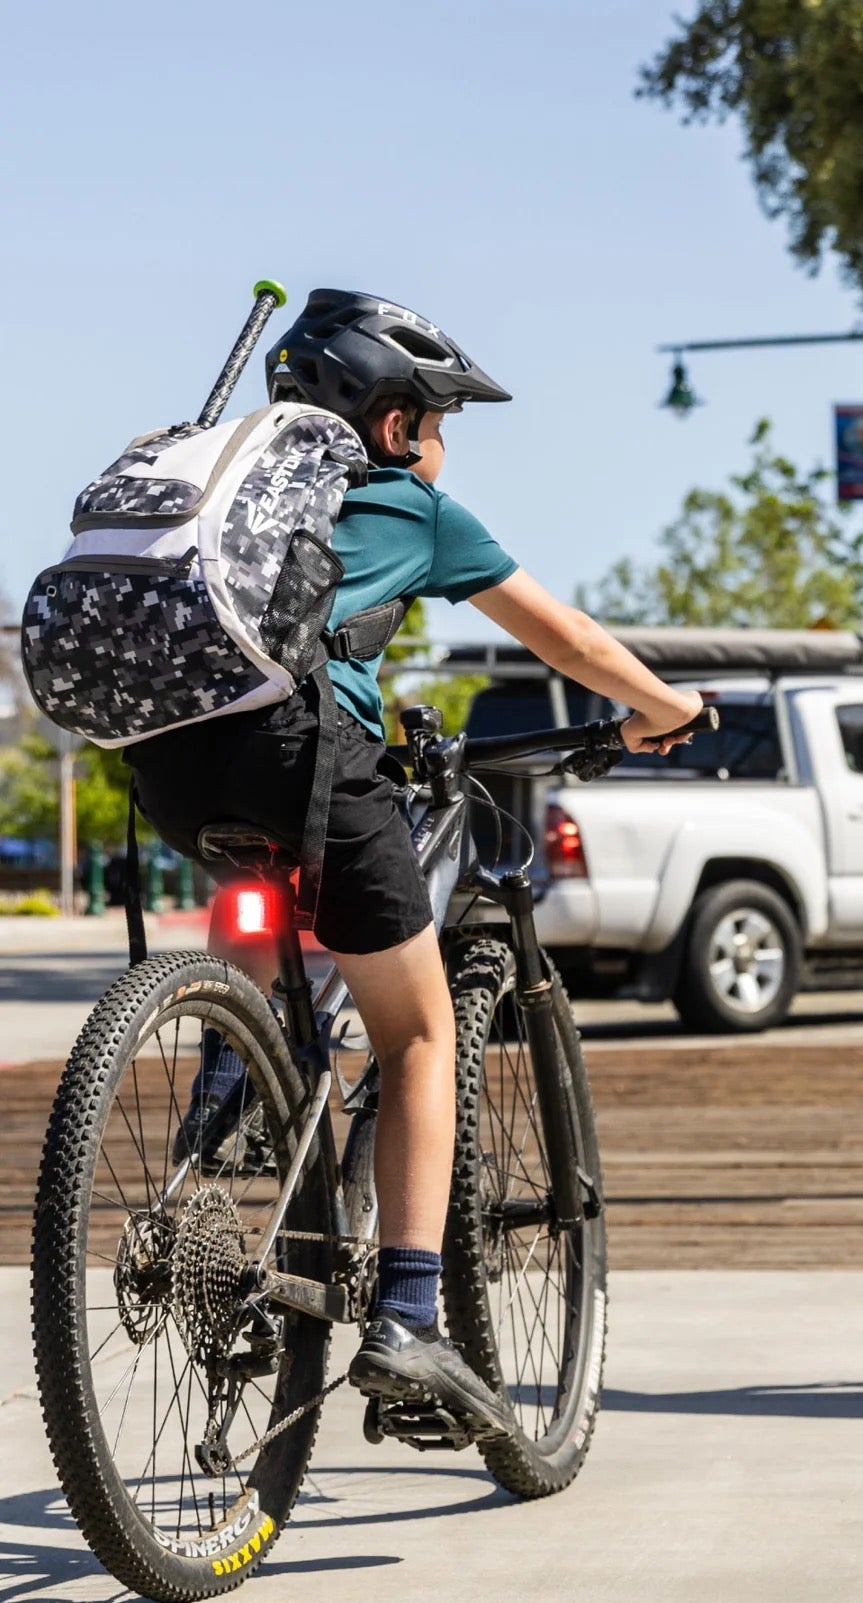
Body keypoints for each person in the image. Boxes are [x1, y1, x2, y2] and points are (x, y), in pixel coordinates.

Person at [126, 290, 705, 1434]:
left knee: (261, 881)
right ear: (394, 424)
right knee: (422, 1034)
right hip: (306, 758)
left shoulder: (220, 493)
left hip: (168, 764)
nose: (441, 447)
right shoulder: (406, 503)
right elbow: (569, 638)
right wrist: (663, 708)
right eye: (438, 424)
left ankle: (228, 1071)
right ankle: (408, 1317)